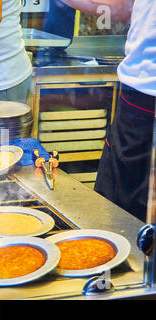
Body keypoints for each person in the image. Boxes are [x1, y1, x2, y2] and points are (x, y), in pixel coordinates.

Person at [61, 0, 156, 222]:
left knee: (118, 220)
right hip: (141, 99)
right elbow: (124, 9)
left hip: (144, 100)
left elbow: (120, 9)